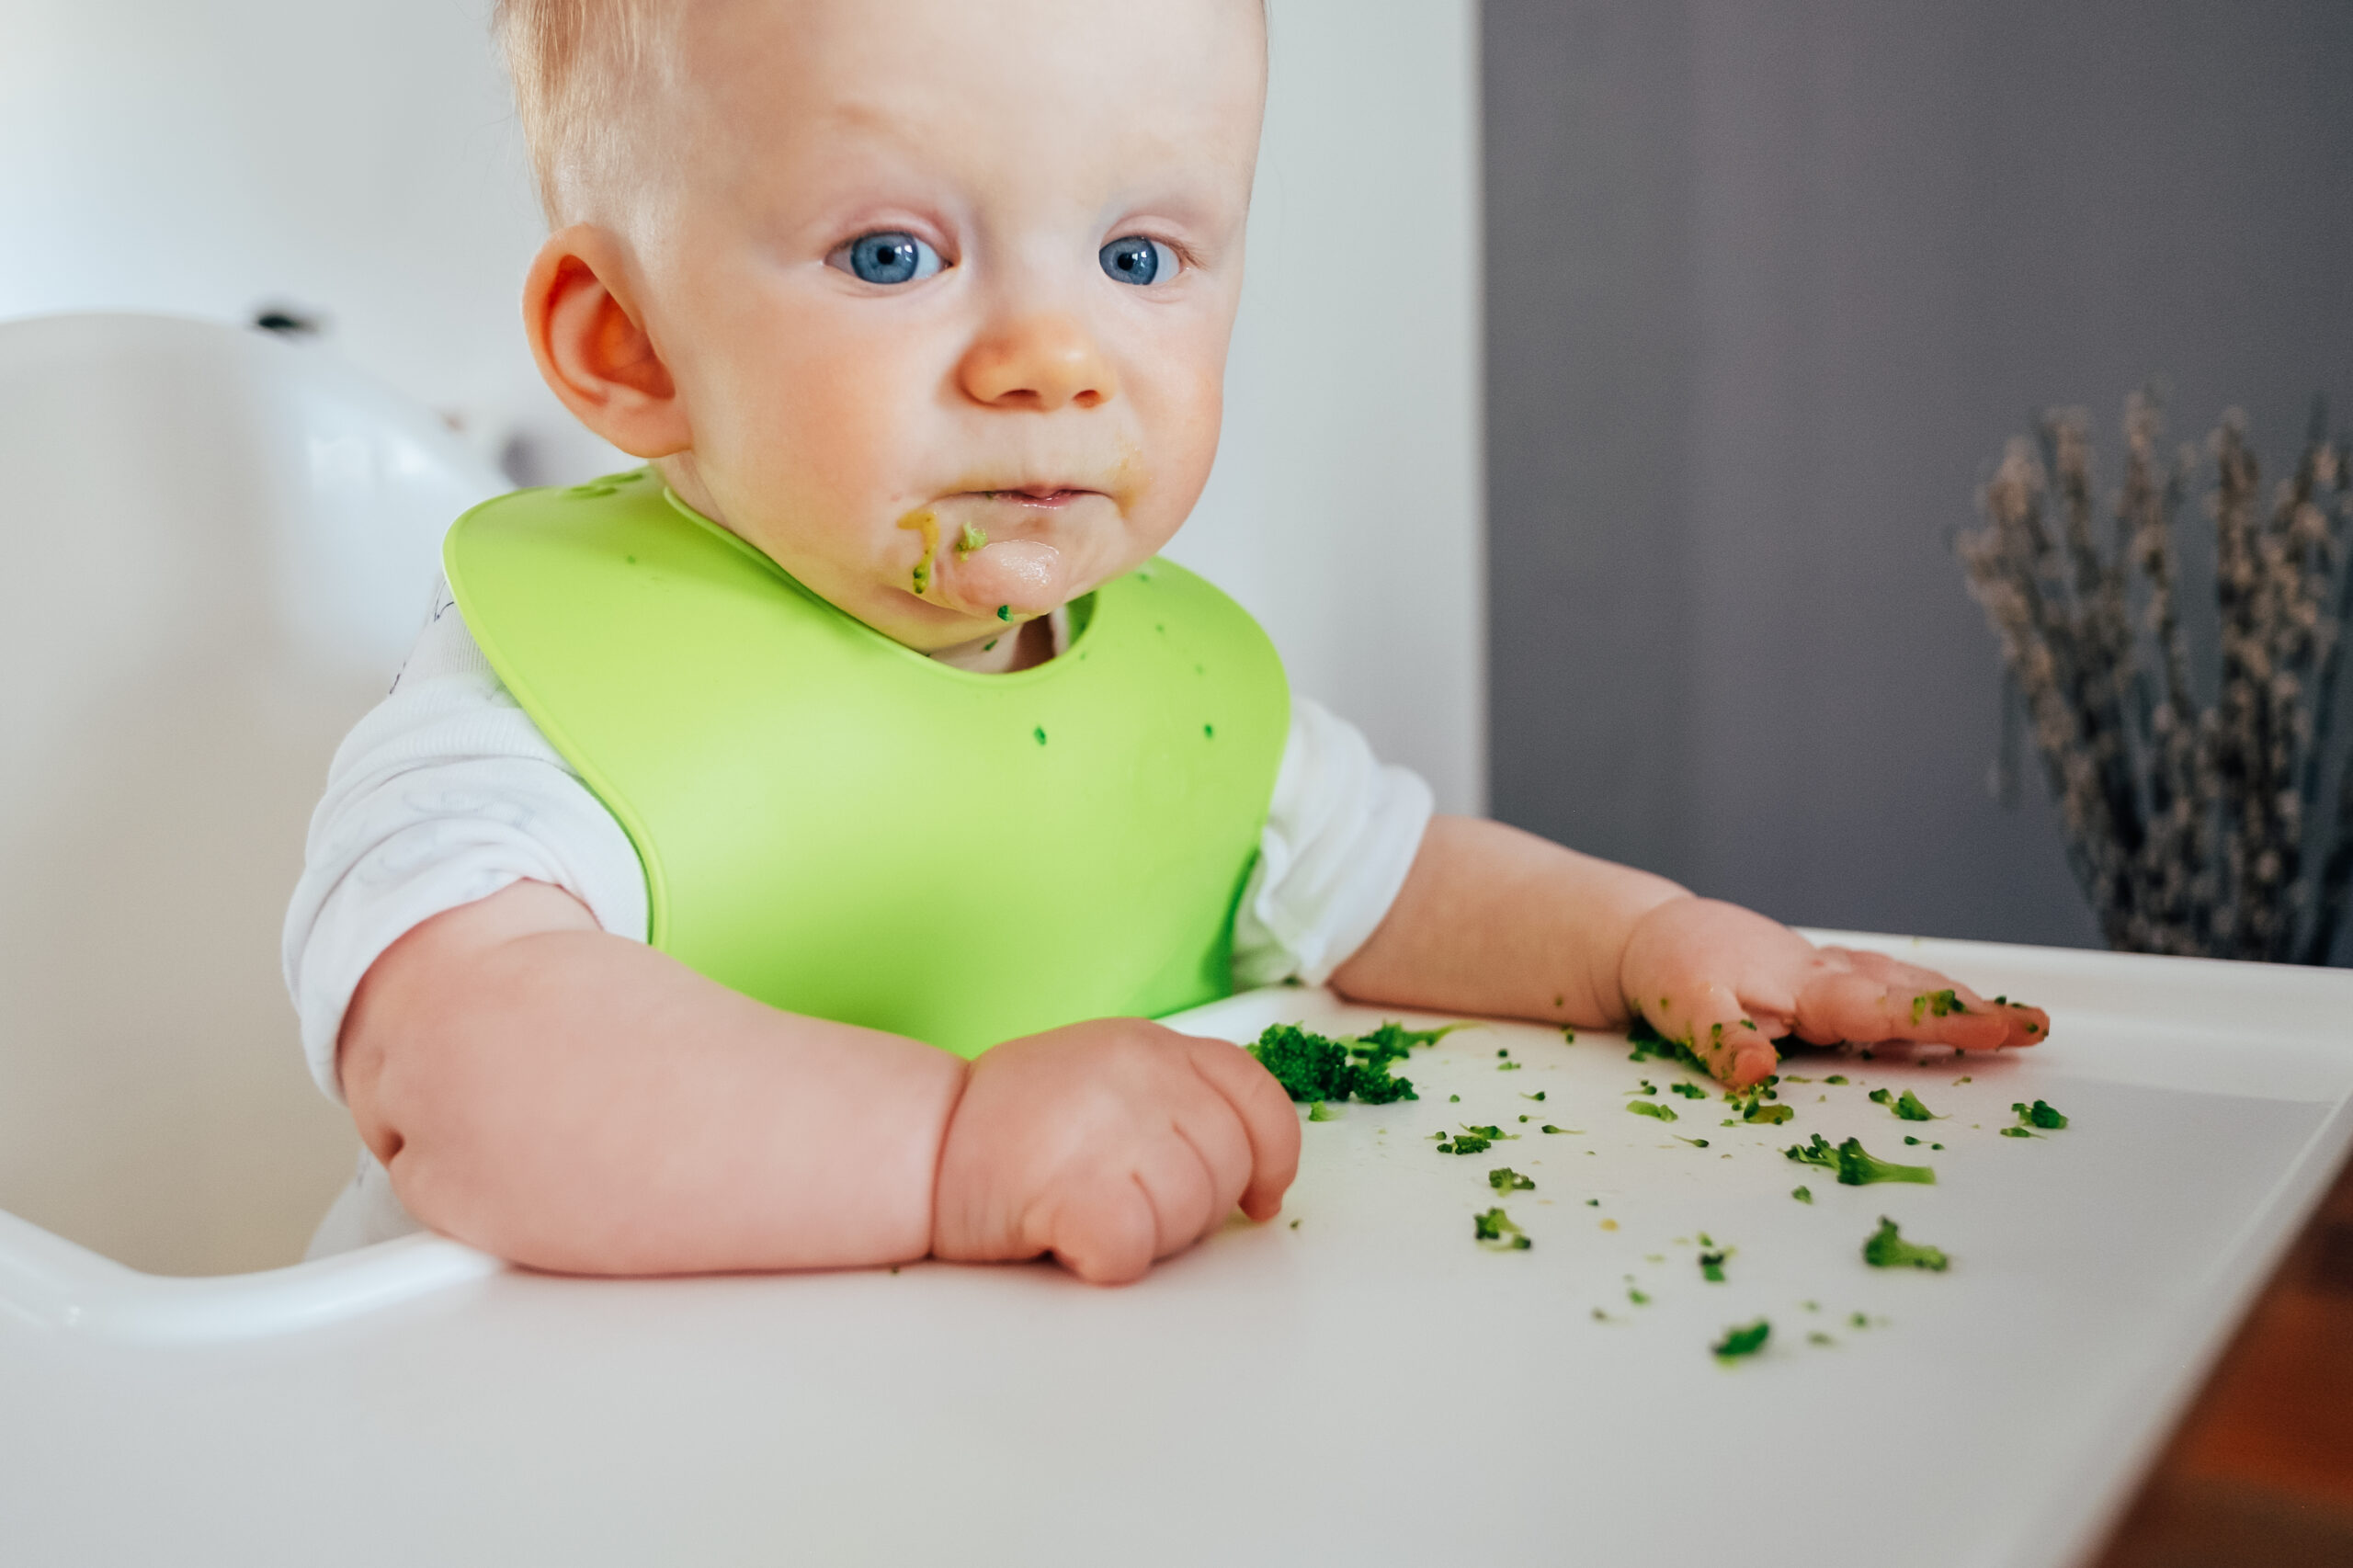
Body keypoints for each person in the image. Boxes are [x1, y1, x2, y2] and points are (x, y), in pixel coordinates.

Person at [284, 0, 2045, 1283]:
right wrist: (952, 1148)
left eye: (1138, 257)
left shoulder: (1173, 694)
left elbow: (1398, 886)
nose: (1056, 359)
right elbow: (463, 1068)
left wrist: (1650, 937)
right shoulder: (547, 709)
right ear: (630, 344)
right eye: (892, 252)